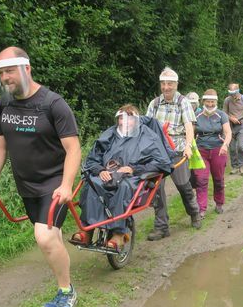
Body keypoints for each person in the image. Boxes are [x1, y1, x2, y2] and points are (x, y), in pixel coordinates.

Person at [0, 46, 82, 307]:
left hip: (54, 183)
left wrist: (67, 184)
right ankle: (62, 287)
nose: (5, 78)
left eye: (10, 70)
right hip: (27, 184)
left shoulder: (52, 104)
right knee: (52, 237)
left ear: (27, 69)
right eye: (1, 73)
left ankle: (67, 291)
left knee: (44, 236)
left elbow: (73, 148)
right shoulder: (3, 104)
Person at [75, 105, 172, 247]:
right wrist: (100, 170)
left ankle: (118, 234)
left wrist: (134, 169)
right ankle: (87, 231)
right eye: (121, 118)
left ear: (137, 120)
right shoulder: (110, 134)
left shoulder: (148, 136)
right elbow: (93, 158)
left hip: (133, 177)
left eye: (129, 119)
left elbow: (162, 162)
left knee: (122, 187)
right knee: (91, 184)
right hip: (108, 173)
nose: (124, 122)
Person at [146, 67, 202, 240]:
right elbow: (146, 128)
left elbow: (189, 126)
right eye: (163, 83)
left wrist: (188, 146)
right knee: (156, 189)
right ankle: (162, 226)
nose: (166, 87)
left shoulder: (183, 102)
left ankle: (194, 212)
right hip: (158, 152)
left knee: (183, 185)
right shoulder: (154, 103)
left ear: (176, 84)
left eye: (169, 83)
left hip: (177, 149)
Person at [193, 89, 231, 217]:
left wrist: (225, 145)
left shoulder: (221, 115)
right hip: (201, 150)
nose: (210, 104)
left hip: (218, 150)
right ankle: (201, 209)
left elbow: (228, 132)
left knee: (218, 179)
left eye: (213, 102)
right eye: (208, 101)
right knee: (201, 180)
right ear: (203, 101)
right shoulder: (196, 115)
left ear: (216, 102)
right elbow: (190, 133)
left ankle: (219, 203)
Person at [223, 83, 243, 175]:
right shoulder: (227, 100)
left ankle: (242, 166)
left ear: (238, 91)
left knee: (241, 146)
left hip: (242, 124)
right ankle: (235, 166)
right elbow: (224, 114)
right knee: (232, 148)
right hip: (230, 125)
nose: (232, 95)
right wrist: (231, 118)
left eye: (234, 93)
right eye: (231, 93)